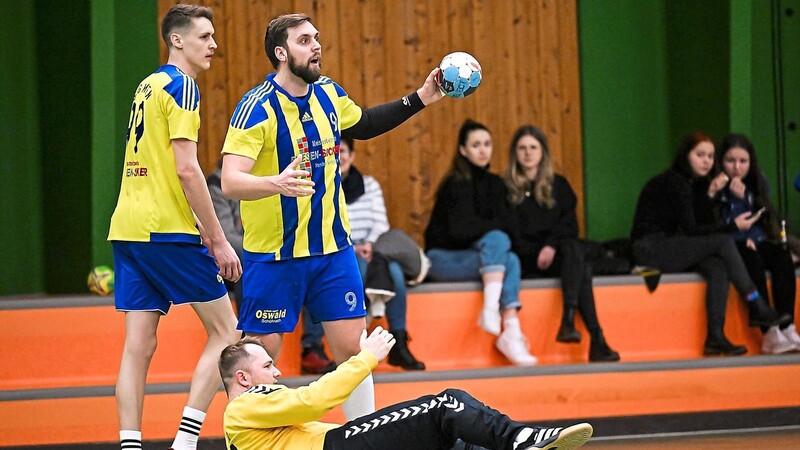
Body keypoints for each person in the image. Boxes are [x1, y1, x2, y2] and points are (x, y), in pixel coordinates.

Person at [220, 13, 445, 420]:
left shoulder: (327, 93)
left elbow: (366, 123)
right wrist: (277, 184)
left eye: (316, 38)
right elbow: (231, 181)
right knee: (257, 358)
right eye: (305, 40)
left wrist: (422, 97)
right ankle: (251, 440)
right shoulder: (256, 107)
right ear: (281, 53)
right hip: (274, 256)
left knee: (353, 354)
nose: (316, 46)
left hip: (332, 252)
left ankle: (363, 439)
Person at [107, 5, 241, 450]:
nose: (214, 44)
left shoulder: (148, 84)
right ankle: (186, 441)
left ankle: (130, 444)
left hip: (128, 228)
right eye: (204, 36)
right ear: (177, 40)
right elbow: (187, 170)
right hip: (166, 229)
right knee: (227, 332)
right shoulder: (183, 86)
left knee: (139, 346)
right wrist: (218, 238)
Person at [219, 329, 594, 450]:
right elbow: (313, 400)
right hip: (339, 447)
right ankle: (522, 438)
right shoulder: (244, 406)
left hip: (337, 443)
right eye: (268, 366)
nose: (278, 371)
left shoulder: (243, 426)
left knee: (456, 441)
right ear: (244, 379)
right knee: (446, 406)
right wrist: (365, 358)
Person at [630, 132, 788, 356]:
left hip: (673, 245)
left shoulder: (694, 184)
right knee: (723, 241)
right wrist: (732, 226)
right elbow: (692, 230)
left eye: (711, 156)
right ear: (686, 156)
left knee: (717, 266)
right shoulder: (676, 182)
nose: (707, 161)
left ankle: (715, 336)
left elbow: (699, 224)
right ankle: (755, 303)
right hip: (651, 248)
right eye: (700, 155)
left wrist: (711, 193)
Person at [424, 119, 538, 365]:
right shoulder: (454, 185)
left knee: (511, 257)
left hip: (483, 260)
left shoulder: (496, 184)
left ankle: (510, 328)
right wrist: (493, 230)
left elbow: (507, 227)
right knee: (498, 241)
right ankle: (491, 311)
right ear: (463, 150)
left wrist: (493, 233)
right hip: (444, 260)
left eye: (487, 144)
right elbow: (458, 233)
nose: (483, 150)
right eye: (476, 145)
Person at [503, 125, 620, 362]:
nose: (528, 153)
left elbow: (569, 227)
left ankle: (571, 322)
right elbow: (510, 233)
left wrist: (551, 246)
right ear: (515, 153)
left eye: (533, 147)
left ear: (543, 152)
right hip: (525, 259)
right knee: (582, 266)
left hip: (555, 256)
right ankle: (593, 337)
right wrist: (540, 250)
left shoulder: (559, 186)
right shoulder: (505, 189)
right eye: (522, 148)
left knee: (574, 250)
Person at [208, 163, 336, 374]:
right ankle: (248, 340)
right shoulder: (218, 182)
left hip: (282, 249)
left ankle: (312, 346)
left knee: (309, 270)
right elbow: (226, 235)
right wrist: (259, 248)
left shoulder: (278, 172)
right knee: (249, 267)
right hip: (235, 258)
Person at [339, 136, 426, 370]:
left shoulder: (370, 185)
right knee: (361, 268)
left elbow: (381, 223)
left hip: (374, 248)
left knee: (394, 270)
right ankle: (358, 346)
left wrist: (369, 244)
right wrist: (352, 247)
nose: (340, 156)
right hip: (341, 250)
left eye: (344, 150)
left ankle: (398, 341)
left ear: (353, 155)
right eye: (335, 151)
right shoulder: (323, 186)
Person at [716, 133, 800, 353]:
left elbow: (763, 216)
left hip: (756, 238)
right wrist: (741, 234)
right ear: (721, 161)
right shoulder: (716, 185)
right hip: (729, 244)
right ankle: (769, 331)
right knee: (751, 260)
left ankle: (787, 325)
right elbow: (715, 223)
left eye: (743, 161)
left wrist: (755, 236)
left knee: (781, 256)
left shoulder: (757, 181)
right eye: (730, 161)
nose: (736, 167)